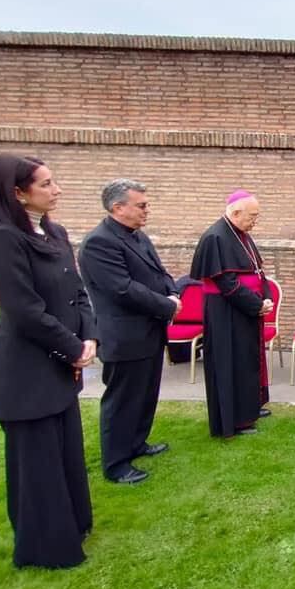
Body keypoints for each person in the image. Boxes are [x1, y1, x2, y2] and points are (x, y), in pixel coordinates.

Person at [0, 153, 96, 569]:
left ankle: (74, 524)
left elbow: (78, 293)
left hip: (60, 363)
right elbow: (25, 310)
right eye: (46, 184)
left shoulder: (55, 232)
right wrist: (73, 347)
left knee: (66, 454)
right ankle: (46, 547)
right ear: (17, 192)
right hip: (25, 371)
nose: (56, 189)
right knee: (38, 464)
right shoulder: (2, 239)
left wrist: (89, 337)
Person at [79, 179, 180, 484]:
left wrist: (173, 293)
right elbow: (122, 289)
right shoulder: (99, 243)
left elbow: (158, 272)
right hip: (124, 336)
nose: (146, 210)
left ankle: (137, 443)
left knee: (145, 394)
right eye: (141, 205)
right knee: (122, 400)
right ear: (117, 207)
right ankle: (117, 463)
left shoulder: (137, 236)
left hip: (148, 332)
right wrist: (167, 305)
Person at [190, 190, 273, 438]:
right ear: (236, 212)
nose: (255, 221)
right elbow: (226, 283)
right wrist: (256, 304)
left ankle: (249, 409)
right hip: (226, 314)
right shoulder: (215, 237)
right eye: (252, 216)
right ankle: (235, 421)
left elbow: (258, 271)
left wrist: (266, 296)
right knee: (231, 364)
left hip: (245, 310)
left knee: (247, 361)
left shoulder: (242, 235)